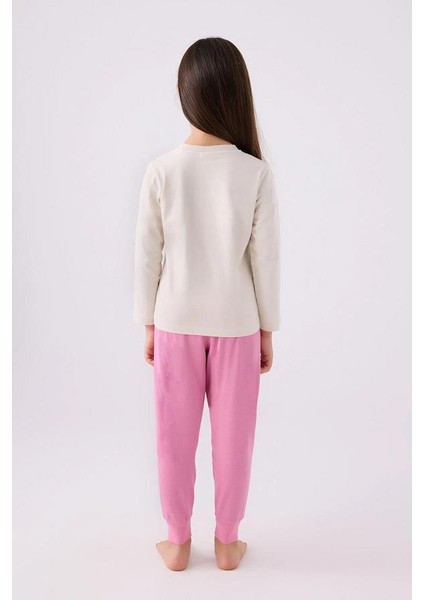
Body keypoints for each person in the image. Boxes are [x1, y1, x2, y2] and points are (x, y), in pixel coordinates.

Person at [133, 37, 281, 571]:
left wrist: (148, 323)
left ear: (186, 94)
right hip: (237, 324)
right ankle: (227, 542)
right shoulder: (254, 172)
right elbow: (266, 260)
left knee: (173, 435)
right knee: (234, 438)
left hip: (174, 320)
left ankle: (177, 542)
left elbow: (146, 256)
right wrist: (268, 329)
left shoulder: (162, 170)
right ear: (237, 94)